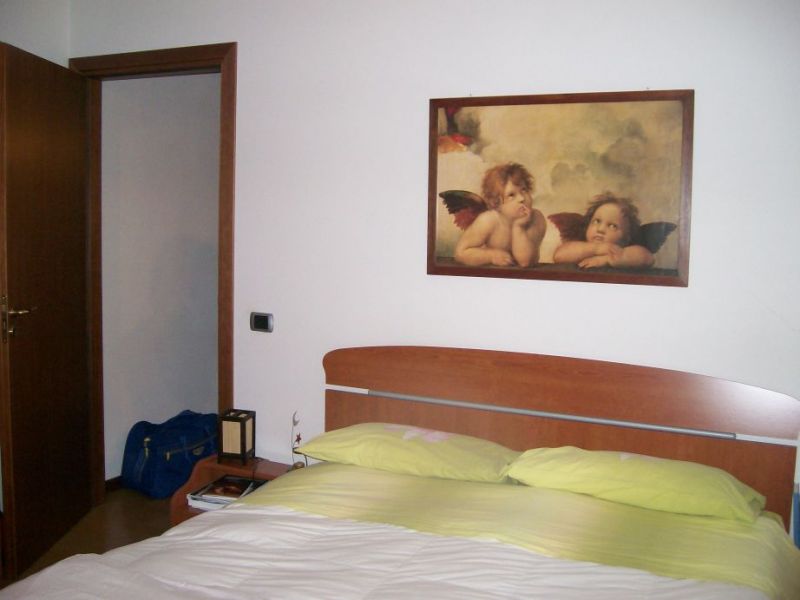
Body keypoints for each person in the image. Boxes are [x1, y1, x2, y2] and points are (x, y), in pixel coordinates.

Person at [453, 163, 546, 267]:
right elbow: (461, 253)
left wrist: (518, 227)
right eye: (511, 195)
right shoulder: (488, 220)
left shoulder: (536, 218)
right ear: (496, 203)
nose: (522, 198)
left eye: (524, 190)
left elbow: (525, 262)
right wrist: (491, 256)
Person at [552, 193, 655, 269]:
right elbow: (559, 255)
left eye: (612, 226)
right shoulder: (580, 247)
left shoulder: (623, 251)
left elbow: (647, 258)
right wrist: (596, 249)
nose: (600, 229)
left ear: (626, 238)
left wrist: (607, 260)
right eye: (596, 221)